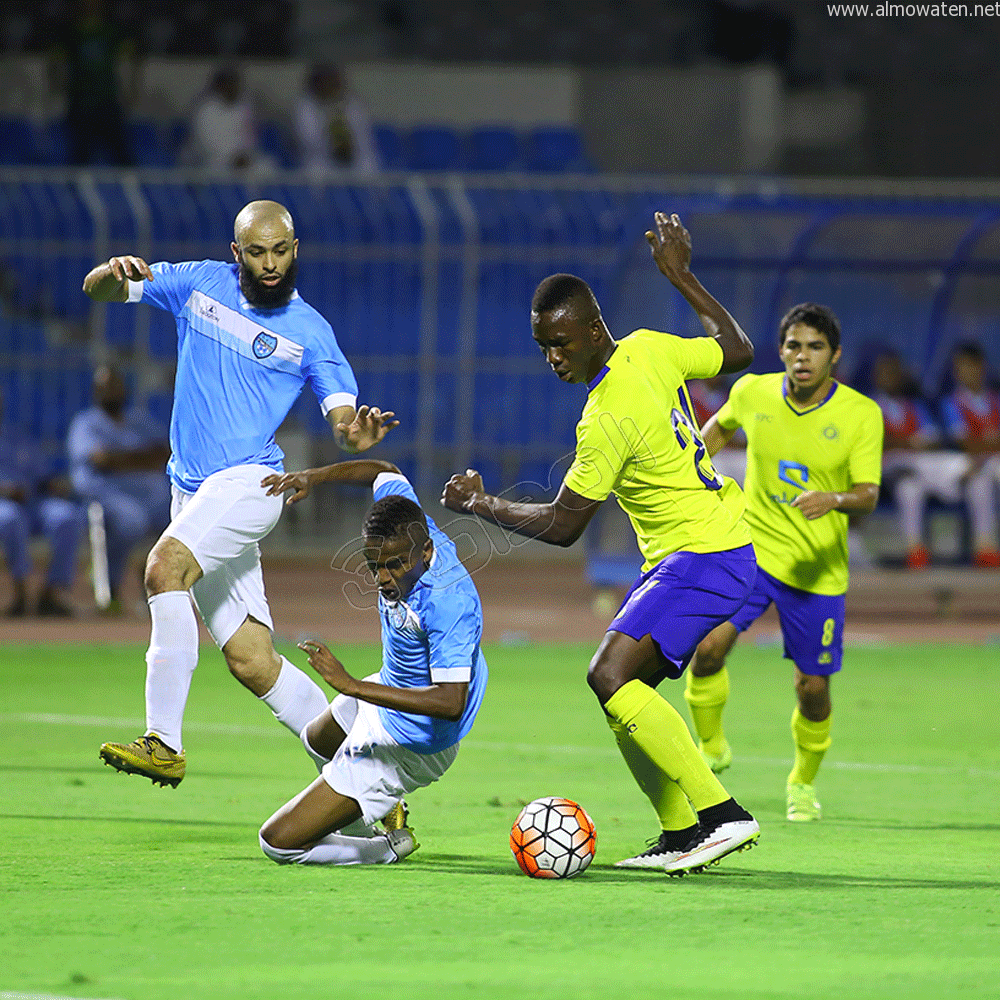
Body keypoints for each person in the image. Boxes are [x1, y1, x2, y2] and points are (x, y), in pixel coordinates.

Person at [443, 212, 760, 876]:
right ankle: (678, 832)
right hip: (705, 551)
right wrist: (681, 277)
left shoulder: (605, 415)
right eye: (542, 346)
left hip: (704, 555)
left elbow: (563, 526)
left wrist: (480, 504)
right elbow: (737, 349)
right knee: (621, 694)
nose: (552, 357)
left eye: (560, 343)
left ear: (592, 331)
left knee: (607, 675)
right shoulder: (650, 346)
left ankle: (721, 815)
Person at [82, 199, 397, 789]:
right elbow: (101, 291)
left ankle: (163, 742)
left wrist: (360, 432)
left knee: (163, 568)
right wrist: (110, 272)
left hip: (253, 483)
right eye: (258, 253)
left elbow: (344, 419)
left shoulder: (311, 333)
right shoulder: (198, 284)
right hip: (193, 494)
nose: (271, 263)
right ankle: (368, 777)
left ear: (296, 250)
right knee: (253, 661)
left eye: (281, 251)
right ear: (237, 254)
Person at [687, 303, 882, 823]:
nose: (803, 357)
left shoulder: (861, 414)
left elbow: (868, 493)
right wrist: (694, 466)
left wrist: (833, 499)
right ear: (782, 351)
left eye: (815, 347)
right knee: (706, 648)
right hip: (751, 553)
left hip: (817, 572)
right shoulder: (752, 392)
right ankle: (711, 748)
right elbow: (719, 429)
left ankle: (802, 781)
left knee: (812, 688)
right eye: (795, 346)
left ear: (834, 356)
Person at [256, 458, 487, 866]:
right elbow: (384, 470)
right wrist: (313, 476)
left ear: (427, 551)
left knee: (278, 842)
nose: (382, 578)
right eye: (374, 565)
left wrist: (352, 686)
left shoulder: (448, 603)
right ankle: (375, 814)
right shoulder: (406, 528)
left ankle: (387, 848)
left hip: (415, 741)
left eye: (395, 565)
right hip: (391, 693)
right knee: (318, 739)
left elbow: (451, 704)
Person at [67, 364, 172, 613]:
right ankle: (110, 580)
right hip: (106, 492)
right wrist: (138, 459)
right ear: (95, 392)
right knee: (132, 520)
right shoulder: (86, 423)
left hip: (146, 492)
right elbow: (100, 460)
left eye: (116, 387)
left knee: (178, 513)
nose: (111, 393)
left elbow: (163, 452)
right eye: (105, 388)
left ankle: (156, 580)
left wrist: (121, 460)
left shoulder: (137, 419)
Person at [870, 348, 969, 569]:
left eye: (894, 373)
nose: (889, 378)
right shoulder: (867, 406)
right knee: (907, 472)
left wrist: (908, 442)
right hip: (885, 470)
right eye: (884, 373)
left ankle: (915, 551)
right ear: (876, 377)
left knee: (911, 486)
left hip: (916, 468)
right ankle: (951, 479)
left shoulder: (914, 405)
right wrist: (908, 442)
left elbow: (932, 439)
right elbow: (876, 442)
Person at [0, 389, 84, 616]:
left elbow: (41, 476)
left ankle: (51, 593)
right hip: (5, 506)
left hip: (33, 503)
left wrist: (53, 484)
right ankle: (20, 593)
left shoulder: (16, 437)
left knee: (66, 516)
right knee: (9, 518)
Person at [49, 0, 137, 167]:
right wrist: (57, 86)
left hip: (107, 100)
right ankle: (73, 192)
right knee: (79, 155)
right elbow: (55, 62)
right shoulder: (69, 31)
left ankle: (134, 190)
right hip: (80, 101)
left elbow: (131, 60)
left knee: (123, 157)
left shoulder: (112, 30)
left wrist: (131, 90)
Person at [940, 341, 1000, 568]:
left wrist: (985, 445)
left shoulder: (996, 400)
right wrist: (990, 443)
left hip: (989, 465)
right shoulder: (951, 403)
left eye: (966, 366)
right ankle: (985, 549)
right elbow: (966, 443)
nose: (961, 373)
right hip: (966, 471)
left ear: (980, 367)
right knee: (980, 482)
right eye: (958, 368)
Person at [294, 64, 380, 176]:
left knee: (369, 166)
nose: (331, 85)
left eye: (334, 81)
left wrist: (346, 139)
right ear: (317, 83)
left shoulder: (353, 104)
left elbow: (363, 138)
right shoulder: (305, 106)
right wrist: (333, 134)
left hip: (355, 162)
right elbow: (310, 141)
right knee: (315, 170)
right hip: (322, 162)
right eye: (326, 81)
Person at [186, 67, 273, 173]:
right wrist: (232, 158)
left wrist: (244, 155)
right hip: (216, 162)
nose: (234, 87)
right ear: (220, 86)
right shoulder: (206, 110)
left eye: (236, 83)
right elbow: (207, 145)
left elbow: (250, 140)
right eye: (230, 84)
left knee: (268, 168)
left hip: (244, 160)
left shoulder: (244, 108)